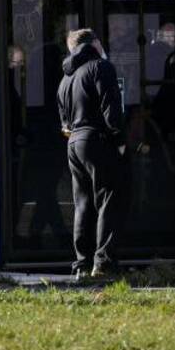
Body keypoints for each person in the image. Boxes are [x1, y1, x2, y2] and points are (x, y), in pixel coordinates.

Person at [56, 28, 126, 280]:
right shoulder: (101, 67)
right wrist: (119, 140)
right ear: (94, 43)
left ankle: (82, 264)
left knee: (83, 203)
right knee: (108, 198)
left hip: (73, 142)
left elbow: (63, 123)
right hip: (96, 139)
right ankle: (104, 263)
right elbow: (111, 108)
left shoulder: (66, 78)